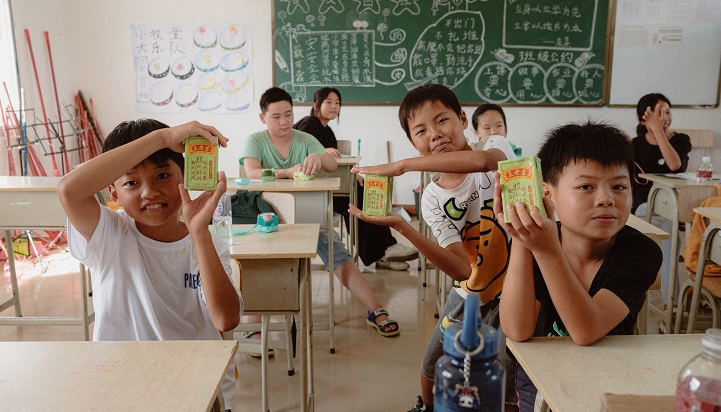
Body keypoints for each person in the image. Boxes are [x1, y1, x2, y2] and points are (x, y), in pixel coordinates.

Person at [348, 84, 515, 412]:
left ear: (462, 119)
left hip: (516, 289)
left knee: (506, 377)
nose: (435, 134)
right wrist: (402, 226)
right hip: (470, 291)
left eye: (442, 121)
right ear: (413, 142)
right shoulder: (432, 198)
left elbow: (482, 162)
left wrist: (401, 166)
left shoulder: (494, 145)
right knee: (432, 362)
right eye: (421, 130)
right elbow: (462, 269)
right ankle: (425, 407)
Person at [57, 119, 242, 410]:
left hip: (197, 390)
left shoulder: (207, 243)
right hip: (124, 390)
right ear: (114, 193)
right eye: (131, 182)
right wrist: (162, 139)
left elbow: (225, 320)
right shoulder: (109, 234)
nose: (149, 192)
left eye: (162, 175)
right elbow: (69, 190)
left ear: (185, 177)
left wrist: (199, 234)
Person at [497, 121, 662, 412]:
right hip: (540, 381)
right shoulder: (537, 243)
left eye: (619, 186)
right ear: (547, 194)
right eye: (586, 186)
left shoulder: (641, 251)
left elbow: (586, 331)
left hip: (611, 381)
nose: (606, 199)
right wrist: (521, 238)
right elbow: (517, 330)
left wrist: (546, 250)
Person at [241, 86, 400, 341]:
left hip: (308, 215)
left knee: (338, 255)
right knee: (260, 260)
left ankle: (375, 309)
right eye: (276, 116)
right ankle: (254, 323)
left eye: (288, 115)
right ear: (263, 118)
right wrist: (286, 172)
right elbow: (252, 172)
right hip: (267, 218)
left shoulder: (304, 139)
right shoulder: (256, 140)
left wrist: (318, 155)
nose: (284, 121)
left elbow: (332, 164)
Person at [294, 87, 418, 271]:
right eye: (329, 102)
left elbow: (336, 163)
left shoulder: (328, 131)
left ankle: (385, 251)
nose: (334, 106)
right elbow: (300, 149)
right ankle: (383, 252)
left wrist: (354, 173)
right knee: (357, 200)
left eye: (337, 103)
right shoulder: (310, 123)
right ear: (316, 104)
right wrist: (321, 151)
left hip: (331, 185)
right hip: (315, 191)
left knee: (366, 192)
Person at [631, 93, 692, 307]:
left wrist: (658, 131)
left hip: (674, 207)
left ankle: (676, 302)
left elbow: (674, 165)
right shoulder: (635, 145)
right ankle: (671, 305)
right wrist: (655, 129)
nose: (665, 118)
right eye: (659, 113)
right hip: (645, 207)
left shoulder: (681, 140)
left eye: (667, 112)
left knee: (670, 238)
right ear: (644, 119)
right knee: (669, 240)